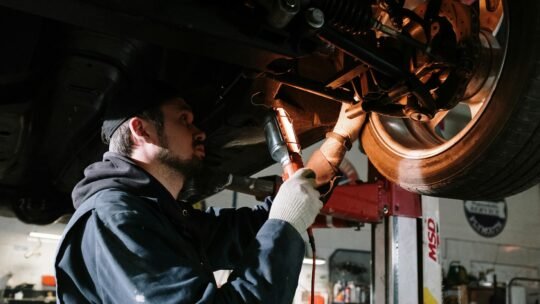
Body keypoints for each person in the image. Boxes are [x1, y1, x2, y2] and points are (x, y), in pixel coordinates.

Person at [54, 81, 365, 303]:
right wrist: (286, 223)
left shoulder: (159, 216)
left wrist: (339, 139)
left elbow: (254, 230)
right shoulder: (112, 218)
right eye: (184, 119)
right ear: (142, 130)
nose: (200, 131)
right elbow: (280, 223)